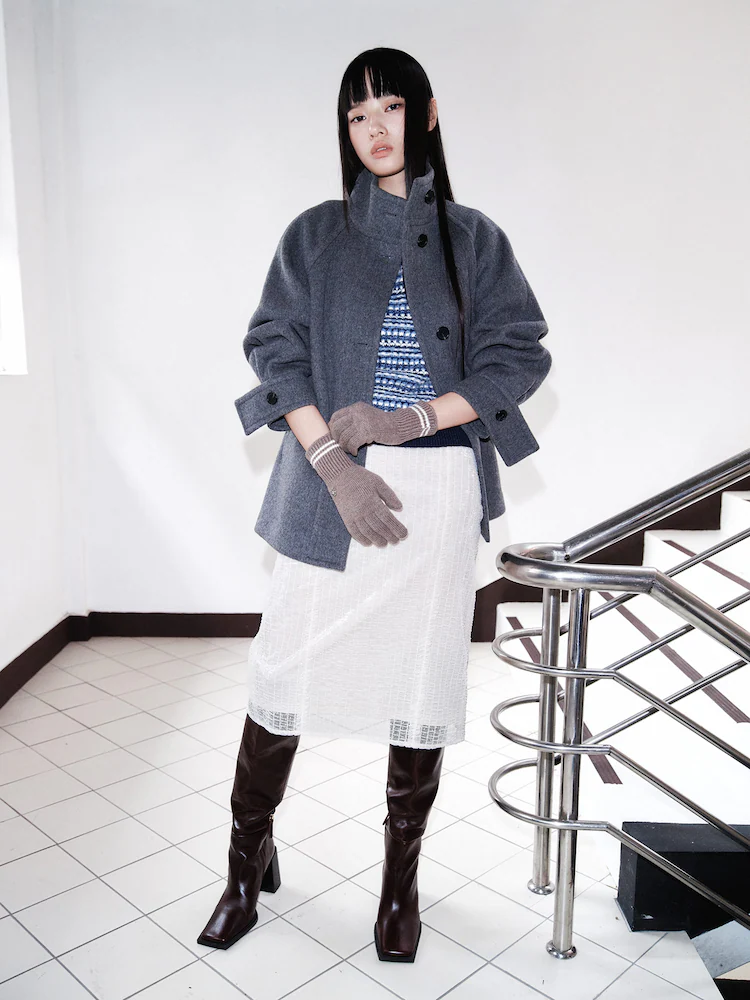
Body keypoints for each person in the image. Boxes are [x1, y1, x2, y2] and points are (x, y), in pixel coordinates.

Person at [198, 47, 551, 962]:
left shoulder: (475, 240)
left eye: (391, 107)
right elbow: (274, 351)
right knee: (282, 675)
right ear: (345, 131)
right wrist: (335, 463)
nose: (376, 129)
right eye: (358, 115)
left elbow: (519, 357)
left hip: (437, 491)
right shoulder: (316, 234)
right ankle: (245, 864)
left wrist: (410, 417)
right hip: (327, 487)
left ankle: (400, 887)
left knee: (421, 687)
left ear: (426, 114)